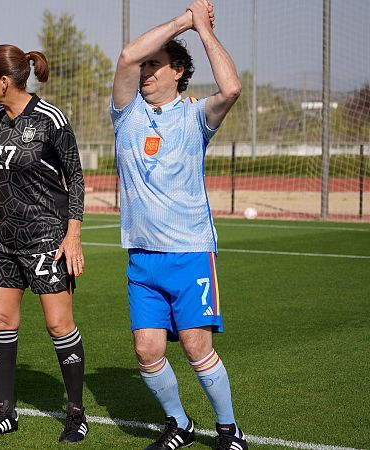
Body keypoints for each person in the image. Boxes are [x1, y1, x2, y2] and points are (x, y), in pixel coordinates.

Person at [110, 1, 247, 449]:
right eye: (147, 65)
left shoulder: (195, 116)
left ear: (179, 71)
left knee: (195, 347)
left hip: (190, 252)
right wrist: (184, 20)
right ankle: (180, 424)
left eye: (157, 65)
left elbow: (231, 88)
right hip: (143, 256)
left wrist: (203, 31)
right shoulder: (127, 112)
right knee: (147, 350)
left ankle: (228, 430)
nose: (146, 71)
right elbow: (127, 56)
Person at [0, 44, 88, 442]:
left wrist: (73, 237)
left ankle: (76, 412)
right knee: (1, 322)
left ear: (4, 80)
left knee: (57, 324)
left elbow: (77, 180)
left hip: (47, 238)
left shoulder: (51, 119)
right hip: (2, 239)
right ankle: (4, 411)